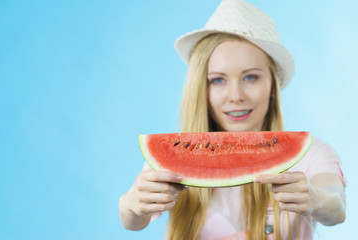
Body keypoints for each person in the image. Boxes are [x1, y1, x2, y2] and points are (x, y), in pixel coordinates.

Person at [119, 0, 346, 239]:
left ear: (272, 85)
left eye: (250, 78)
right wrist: (132, 203)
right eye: (218, 80)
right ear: (202, 89)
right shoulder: (174, 159)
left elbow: (337, 206)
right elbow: (132, 220)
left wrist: (316, 198)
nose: (236, 96)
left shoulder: (311, 154)